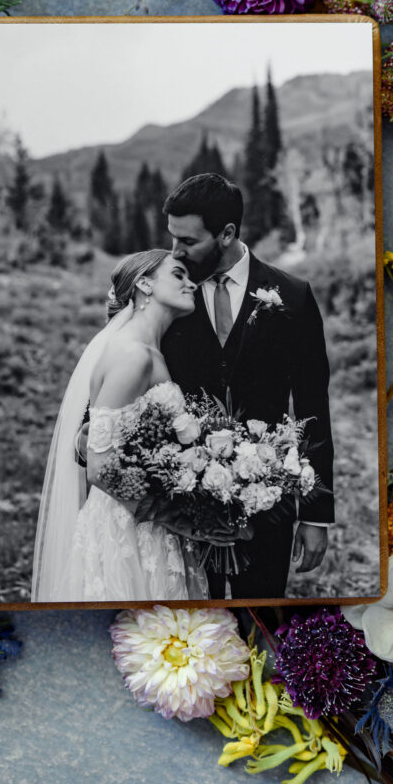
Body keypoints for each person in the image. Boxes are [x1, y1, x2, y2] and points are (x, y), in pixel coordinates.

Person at [161, 173, 334, 600]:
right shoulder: (165, 291)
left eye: (188, 241)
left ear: (227, 234)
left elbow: (313, 405)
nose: (175, 252)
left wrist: (316, 515)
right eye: (172, 238)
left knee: (258, 618)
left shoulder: (292, 297)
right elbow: (129, 356)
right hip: (180, 501)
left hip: (268, 500)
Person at [31, 249, 208, 602]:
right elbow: (99, 468)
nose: (192, 284)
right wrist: (178, 520)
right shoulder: (133, 355)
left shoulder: (149, 350)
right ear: (145, 284)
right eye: (178, 274)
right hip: (129, 531)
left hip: (150, 522)